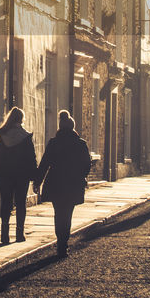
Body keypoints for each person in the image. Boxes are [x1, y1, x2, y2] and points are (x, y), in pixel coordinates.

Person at [34, 110, 92, 257]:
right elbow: (87, 164)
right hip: (73, 184)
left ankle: (60, 241)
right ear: (73, 128)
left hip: (56, 183)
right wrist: (82, 176)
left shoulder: (54, 143)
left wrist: (37, 181)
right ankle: (63, 243)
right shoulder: (80, 144)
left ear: (60, 127)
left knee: (58, 213)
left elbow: (45, 163)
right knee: (68, 213)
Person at [0, 107, 37, 244]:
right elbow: (31, 158)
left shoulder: (1, 135)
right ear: (21, 120)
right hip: (21, 175)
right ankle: (19, 233)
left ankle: (4, 234)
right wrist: (34, 176)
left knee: (5, 203)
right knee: (20, 203)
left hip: (5, 174)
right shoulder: (26, 137)